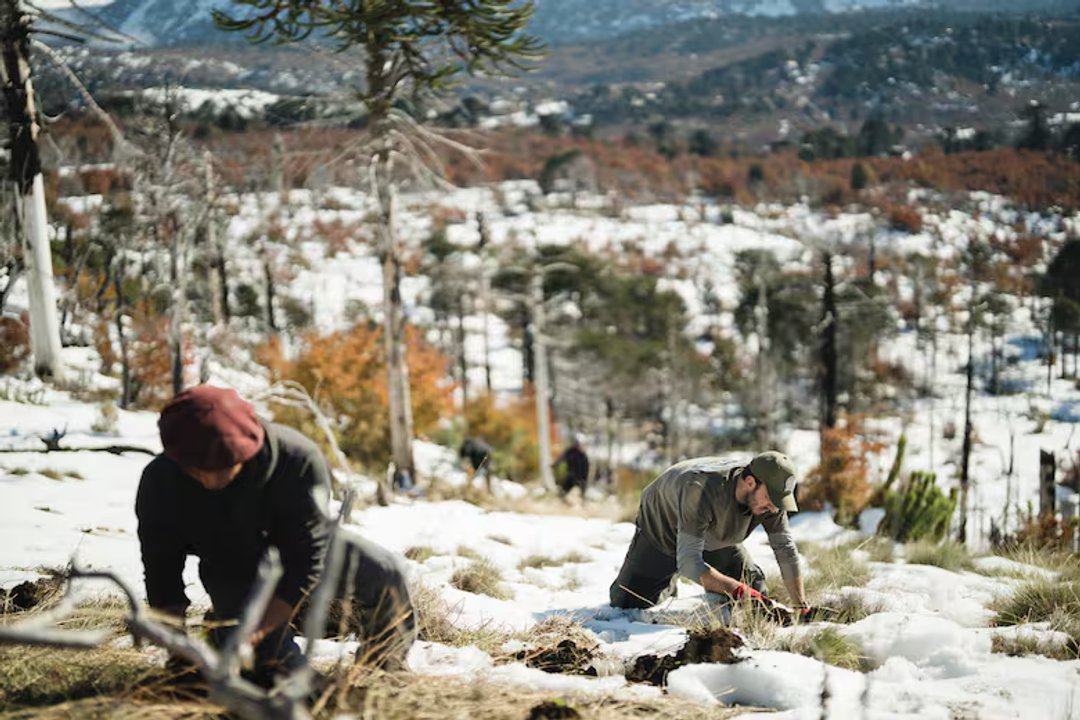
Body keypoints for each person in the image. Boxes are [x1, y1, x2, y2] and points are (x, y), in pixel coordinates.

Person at [136, 385, 416, 688]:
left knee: (385, 572)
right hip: (230, 567)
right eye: (199, 470)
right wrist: (179, 654)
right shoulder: (159, 484)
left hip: (298, 546)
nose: (212, 480)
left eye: (227, 467)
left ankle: (386, 671)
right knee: (283, 680)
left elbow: (309, 557)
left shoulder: (297, 459)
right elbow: (161, 572)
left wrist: (261, 628)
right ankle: (226, 631)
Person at [609, 451, 807, 614]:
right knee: (628, 604)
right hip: (663, 528)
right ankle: (667, 583)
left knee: (755, 598)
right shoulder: (700, 489)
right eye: (770, 499)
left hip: (715, 536)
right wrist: (736, 590)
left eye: (779, 501)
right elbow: (688, 562)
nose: (774, 509)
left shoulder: (770, 500)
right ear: (749, 482)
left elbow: (785, 549)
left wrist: (800, 606)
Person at [553, 433, 590, 500]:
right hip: (571, 475)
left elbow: (586, 468)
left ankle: (582, 499)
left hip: (580, 477)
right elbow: (561, 458)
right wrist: (555, 464)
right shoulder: (570, 451)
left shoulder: (583, 455)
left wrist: (583, 478)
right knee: (566, 486)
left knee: (582, 489)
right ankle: (562, 496)